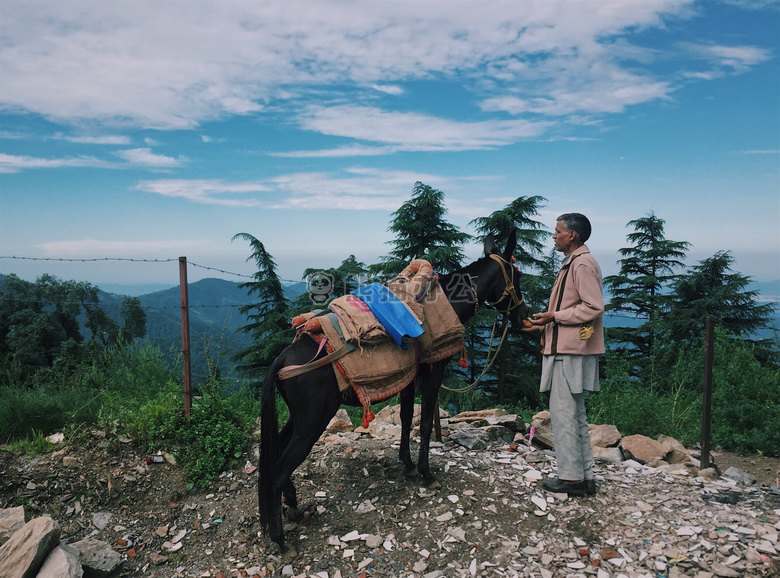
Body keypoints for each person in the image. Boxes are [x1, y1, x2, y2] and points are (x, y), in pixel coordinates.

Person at [524, 213, 604, 496]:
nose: (553, 236)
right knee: (575, 414)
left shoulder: (580, 264)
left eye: (557, 231)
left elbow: (593, 307)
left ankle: (571, 480)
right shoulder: (575, 263)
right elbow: (571, 311)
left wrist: (554, 316)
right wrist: (542, 324)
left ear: (573, 235)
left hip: (569, 353)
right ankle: (584, 477)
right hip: (569, 348)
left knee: (563, 414)